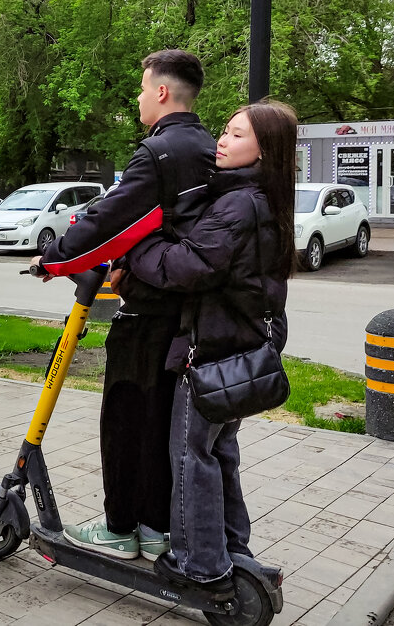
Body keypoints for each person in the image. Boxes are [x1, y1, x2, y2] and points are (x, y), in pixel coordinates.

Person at [31, 49, 217, 561]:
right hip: (181, 309)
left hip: (149, 309)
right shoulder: (205, 145)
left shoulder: (160, 152)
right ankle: (154, 526)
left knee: (125, 418)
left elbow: (112, 217)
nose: (138, 97)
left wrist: (54, 260)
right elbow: (157, 222)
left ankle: (118, 527)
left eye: (141, 88)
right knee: (156, 422)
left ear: (161, 91)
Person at [124, 100, 297, 594]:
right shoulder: (264, 197)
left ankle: (199, 564)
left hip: (214, 352)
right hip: (243, 351)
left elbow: (189, 266)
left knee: (190, 454)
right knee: (220, 452)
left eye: (236, 135)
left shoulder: (237, 203)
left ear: (265, 149)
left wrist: (136, 251)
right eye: (224, 131)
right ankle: (231, 548)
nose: (222, 140)